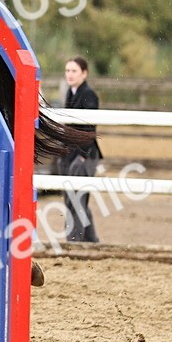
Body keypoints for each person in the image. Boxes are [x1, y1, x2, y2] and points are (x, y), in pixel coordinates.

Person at [62, 56, 102, 242]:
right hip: (71, 153)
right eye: (68, 71)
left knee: (77, 196)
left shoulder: (88, 95)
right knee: (75, 196)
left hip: (84, 154)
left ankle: (74, 239)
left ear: (84, 73)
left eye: (74, 71)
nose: (70, 74)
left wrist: (83, 156)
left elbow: (89, 127)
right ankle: (90, 238)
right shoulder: (71, 93)